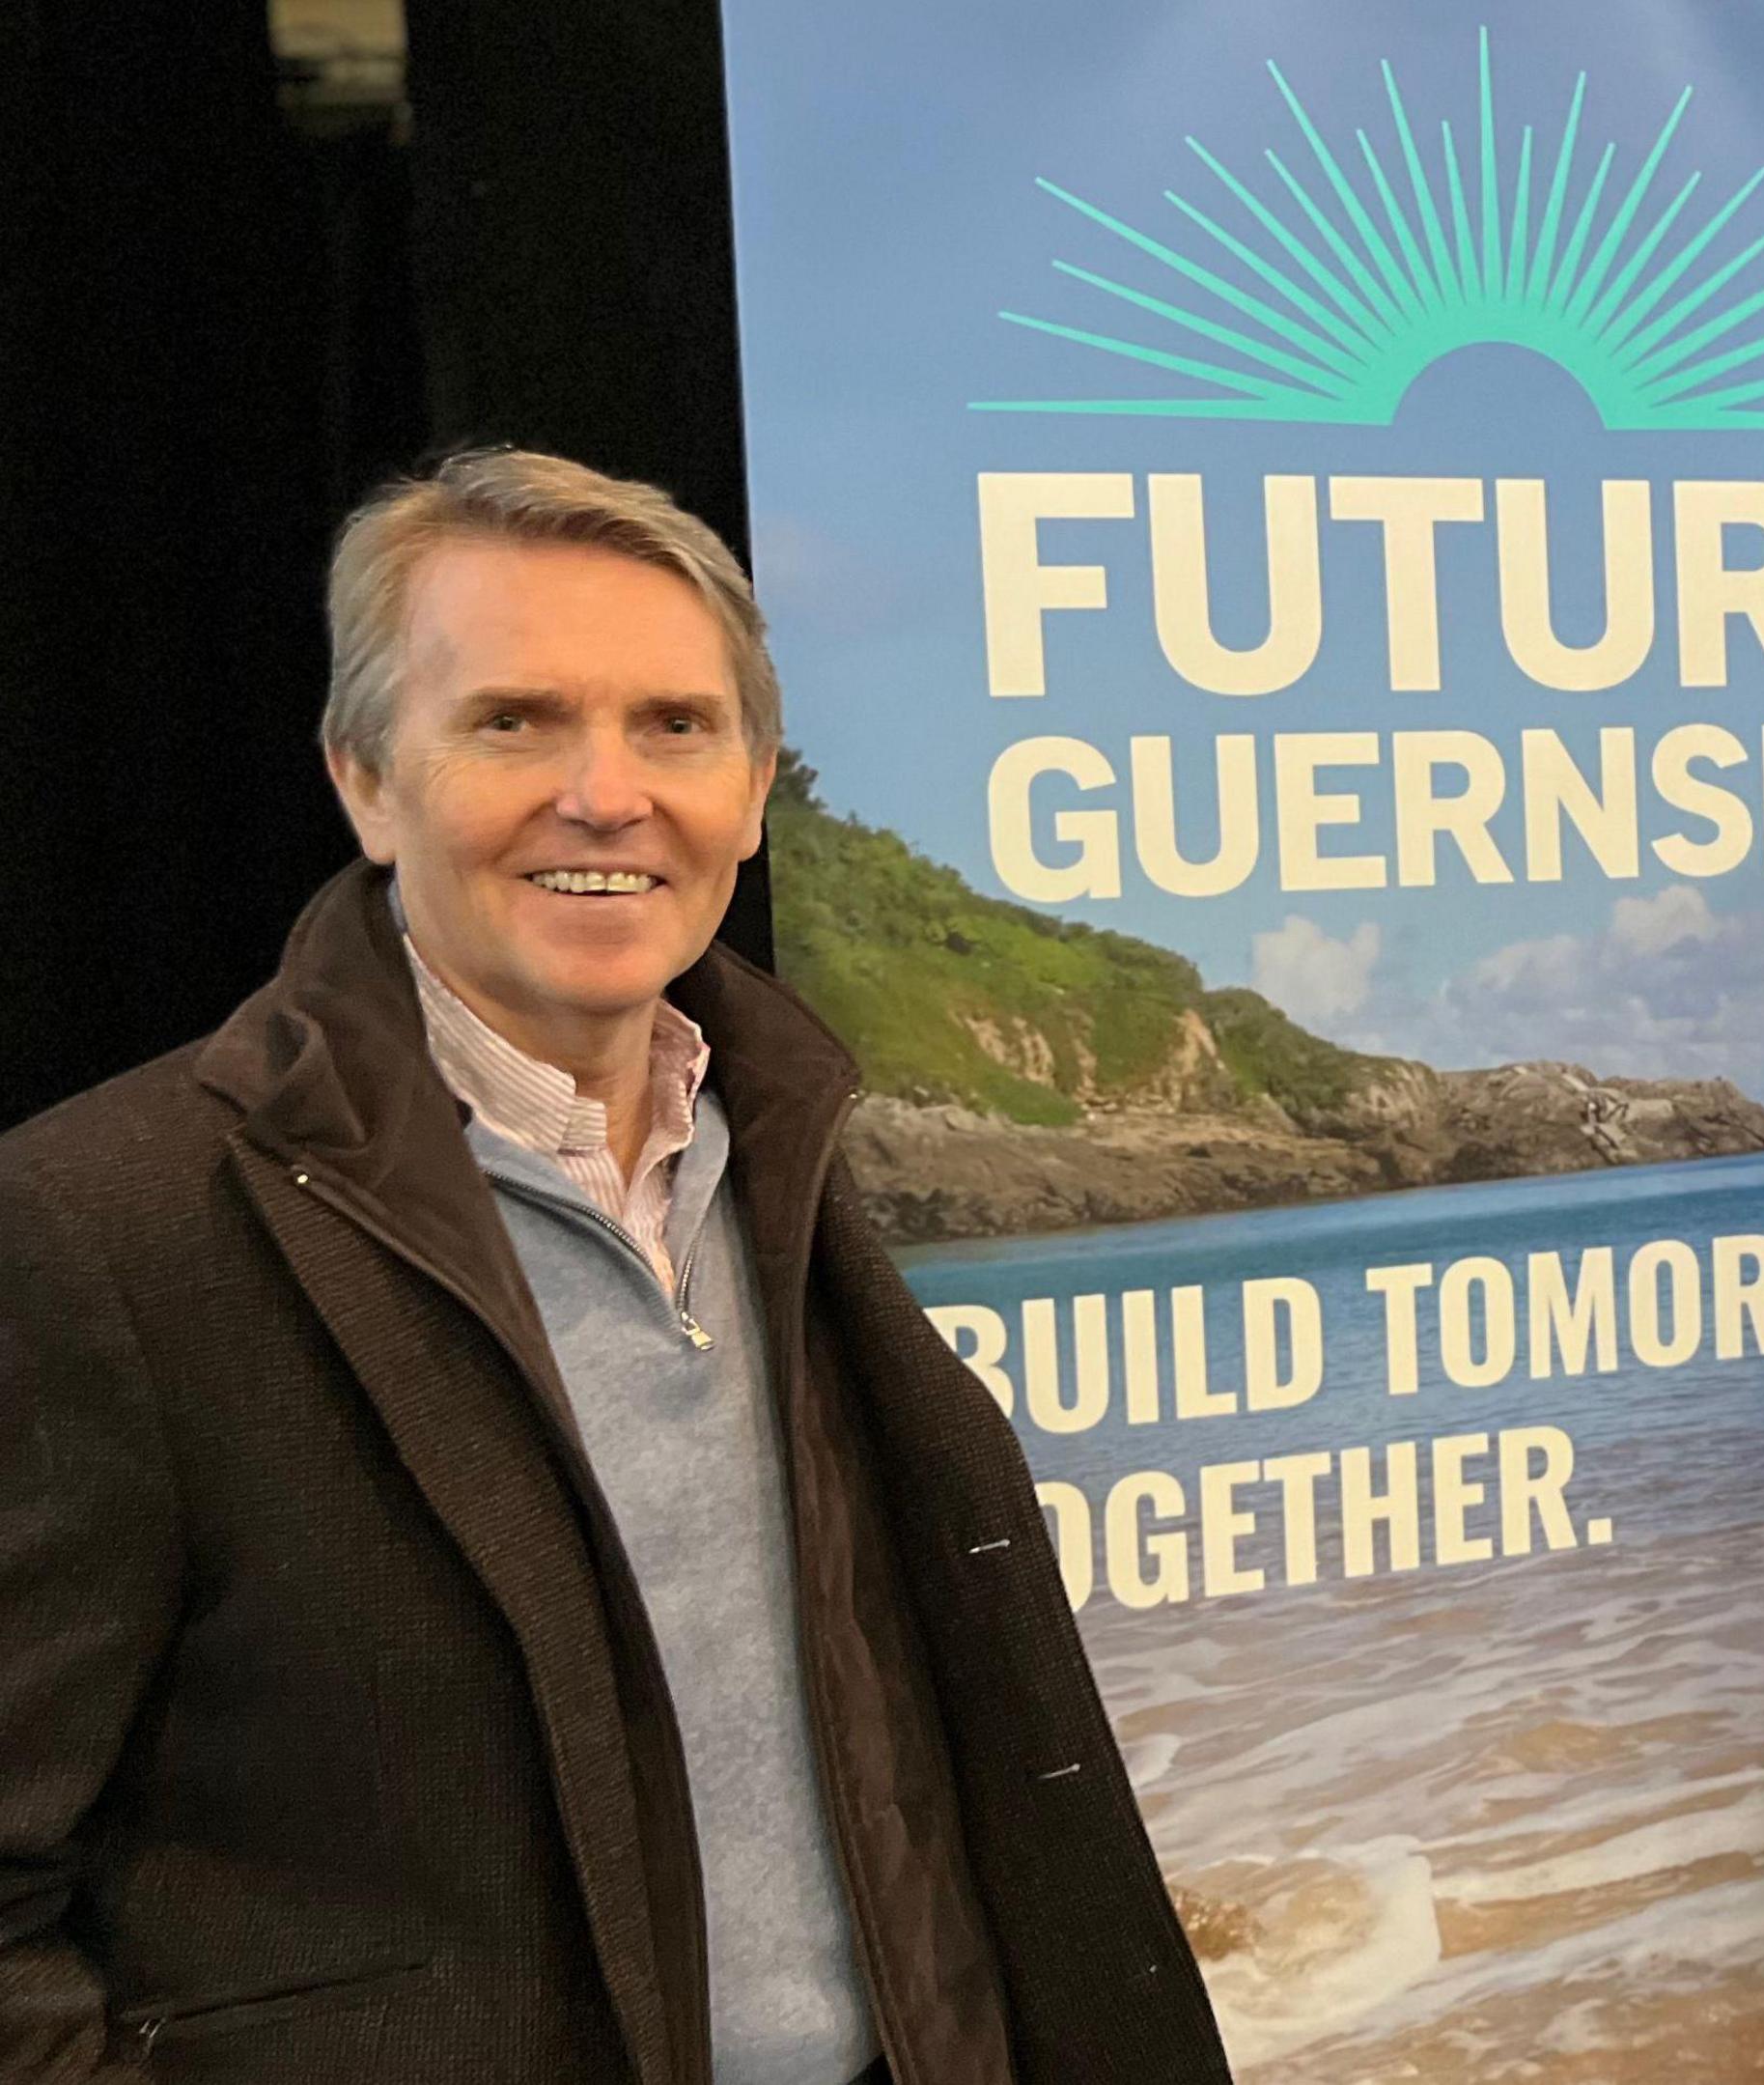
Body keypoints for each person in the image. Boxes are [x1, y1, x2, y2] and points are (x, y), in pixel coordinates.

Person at [0, 450, 1228, 2084]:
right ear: (368, 778)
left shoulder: (781, 1155)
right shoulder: (103, 1226)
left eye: (676, 725)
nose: (606, 793)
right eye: (512, 721)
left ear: (755, 780)